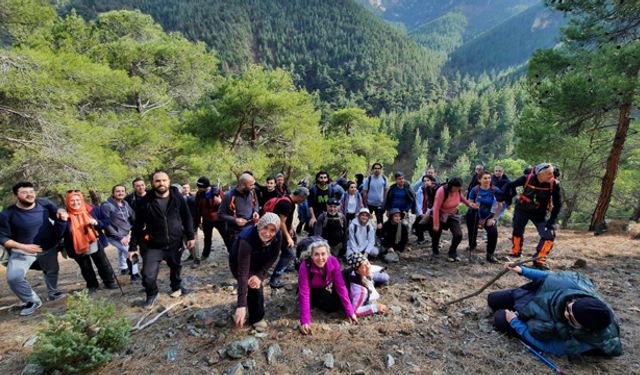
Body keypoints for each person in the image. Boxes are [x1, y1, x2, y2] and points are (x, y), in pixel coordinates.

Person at [488, 262, 621, 357]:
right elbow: (550, 278)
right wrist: (522, 270)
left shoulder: (585, 340)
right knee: (493, 299)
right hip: (537, 297)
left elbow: (548, 346)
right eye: (569, 308)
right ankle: (517, 309)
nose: (565, 313)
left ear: (584, 327)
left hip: (539, 316)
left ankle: (515, 315)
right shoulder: (575, 286)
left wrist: (515, 322)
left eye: (571, 317)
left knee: (500, 318)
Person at [129, 170, 195, 308]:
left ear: (169, 181)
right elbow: (137, 226)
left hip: (175, 241)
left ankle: (176, 285)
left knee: (176, 267)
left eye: (164, 180)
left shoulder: (177, 198)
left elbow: (187, 217)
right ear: (152, 183)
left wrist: (190, 236)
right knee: (147, 275)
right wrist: (132, 247)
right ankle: (152, 293)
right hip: (153, 245)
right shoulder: (144, 202)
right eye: (157, 181)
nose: (161, 183)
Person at [0, 182, 67, 316]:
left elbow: (57, 213)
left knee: (52, 270)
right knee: (14, 277)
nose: (29, 194)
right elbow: (3, 239)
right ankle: (32, 301)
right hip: (22, 251)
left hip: (48, 248)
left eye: (31, 191)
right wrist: (24, 246)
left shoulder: (44, 203)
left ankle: (53, 292)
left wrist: (61, 211)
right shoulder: (7, 214)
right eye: (24, 192)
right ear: (15, 196)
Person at [498, 163, 562, 270]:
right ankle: (516, 252)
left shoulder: (554, 184)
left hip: (540, 213)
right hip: (522, 209)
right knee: (517, 231)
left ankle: (539, 260)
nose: (552, 175)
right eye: (549, 174)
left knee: (549, 235)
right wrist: (505, 196)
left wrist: (552, 220)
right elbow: (510, 185)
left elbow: (558, 204)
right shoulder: (526, 179)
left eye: (552, 173)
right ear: (539, 174)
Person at [229, 213, 287, 329]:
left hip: (259, 262)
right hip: (239, 264)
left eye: (272, 230)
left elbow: (274, 256)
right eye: (265, 227)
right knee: (252, 285)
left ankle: (255, 316)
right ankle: (249, 313)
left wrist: (260, 275)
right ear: (259, 225)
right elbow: (243, 271)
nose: (267, 233)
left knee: (255, 283)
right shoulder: (247, 238)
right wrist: (241, 305)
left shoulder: (278, 236)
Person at [61, 190, 118, 294]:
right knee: (85, 266)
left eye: (78, 200)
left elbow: (106, 221)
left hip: (95, 240)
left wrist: (97, 222)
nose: (75, 203)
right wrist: (62, 221)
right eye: (72, 200)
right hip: (76, 245)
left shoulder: (93, 209)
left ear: (82, 200)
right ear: (67, 201)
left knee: (102, 263)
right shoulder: (64, 214)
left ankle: (109, 281)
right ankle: (92, 285)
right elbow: (60, 232)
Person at [298, 239, 357, 335]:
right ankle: (314, 301)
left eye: (323, 254)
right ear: (311, 256)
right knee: (332, 306)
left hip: (325, 284)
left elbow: (340, 286)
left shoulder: (333, 261)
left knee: (345, 277)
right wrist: (305, 321)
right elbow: (304, 293)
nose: (320, 258)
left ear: (328, 254)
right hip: (313, 289)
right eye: (316, 254)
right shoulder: (305, 266)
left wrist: (350, 312)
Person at [265, 187, 310, 288]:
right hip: (277, 232)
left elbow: (287, 219)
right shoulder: (286, 204)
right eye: (304, 198)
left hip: (280, 232)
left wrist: (291, 228)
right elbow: (281, 222)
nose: (304, 201)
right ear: (299, 196)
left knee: (287, 252)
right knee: (289, 253)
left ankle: (282, 268)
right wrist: (288, 237)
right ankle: (274, 279)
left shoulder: (290, 202)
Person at [430, 177, 478, 262]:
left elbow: (462, 198)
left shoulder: (458, 190)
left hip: (452, 214)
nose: (458, 189)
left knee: (458, 235)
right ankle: (435, 250)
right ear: (451, 186)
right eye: (456, 188)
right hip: (440, 214)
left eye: (459, 188)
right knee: (436, 233)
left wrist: (470, 204)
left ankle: (452, 251)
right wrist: (436, 224)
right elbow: (436, 208)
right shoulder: (442, 191)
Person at [101, 184, 139, 280]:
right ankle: (135, 274)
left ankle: (123, 268)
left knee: (122, 251)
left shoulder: (125, 203)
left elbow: (132, 216)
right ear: (113, 193)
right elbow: (107, 224)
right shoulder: (107, 205)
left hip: (126, 233)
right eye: (118, 191)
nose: (120, 193)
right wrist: (119, 237)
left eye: (122, 191)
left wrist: (135, 228)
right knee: (130, 251)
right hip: (114, 236)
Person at [218, 173, 260, 252]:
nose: (253, 186)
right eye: (251, 185)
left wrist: (256, 211)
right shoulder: (229, 196)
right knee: (236, 254)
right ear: (243, 185)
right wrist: (235, 220)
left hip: (251, 228)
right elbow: (220, 215)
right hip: (235, 232)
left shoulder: (252, 192)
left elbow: (256, 204)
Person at [466, 172, 501, 263]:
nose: (487, 180)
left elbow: (500, 205)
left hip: (489, 216)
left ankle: (490, 254)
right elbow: (470, 202)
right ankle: (472, 246)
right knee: (472, 231)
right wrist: (473, 205)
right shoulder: (475, 190)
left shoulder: (495, 190)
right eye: (485, 178)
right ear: (479, 180)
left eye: (489, 178)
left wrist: (494, 219)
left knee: (493, 233)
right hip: (475, 214)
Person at [345, 252, 389, 317]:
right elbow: (355, 311)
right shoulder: (361, 291)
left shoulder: (359, 270)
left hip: (364, 277)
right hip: (360, 292)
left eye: (368, 263)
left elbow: (369, 267)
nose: (368, 267)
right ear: (357, 271)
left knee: (385, 277)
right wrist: (376, 307)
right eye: (363, 267)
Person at [194, 176, 223, 260]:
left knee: (226, 237)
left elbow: (226, 206)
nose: (198, 188)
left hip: (219, 220)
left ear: (204, 186)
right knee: (207, 238)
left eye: (199, 187)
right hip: (206, 221)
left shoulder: (217, 192)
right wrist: (199, 221)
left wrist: (220, 202)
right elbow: (197, 209)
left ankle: (232, 252)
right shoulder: (199, 194)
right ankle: (205, 254)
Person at [361, 163, 388, 227]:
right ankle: (365, 234)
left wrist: (385, 203)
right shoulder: (369, 179)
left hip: (380, 204)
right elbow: (364, 192)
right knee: (365, 220)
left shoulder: (384, 178)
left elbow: (386, 191)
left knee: (380, 222)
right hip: (369, 204)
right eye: (375, 168)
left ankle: (379, 235)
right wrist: (366, 205)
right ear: (373, 170)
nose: (377, 170)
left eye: (379, 168)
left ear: (381, 170)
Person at [414, 175, 437, 244]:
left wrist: (427, 214)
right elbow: (418, 203)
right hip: (421, 213)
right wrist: (421, 213)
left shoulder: (434, 191)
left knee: (430, 227)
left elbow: (432, 204)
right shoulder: (420, 191)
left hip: (429, 213)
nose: (426, 182)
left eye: (428, 180)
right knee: (417, 225)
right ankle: (421, 239)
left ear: (431, 181)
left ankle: (435, 241)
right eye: (424, 181)